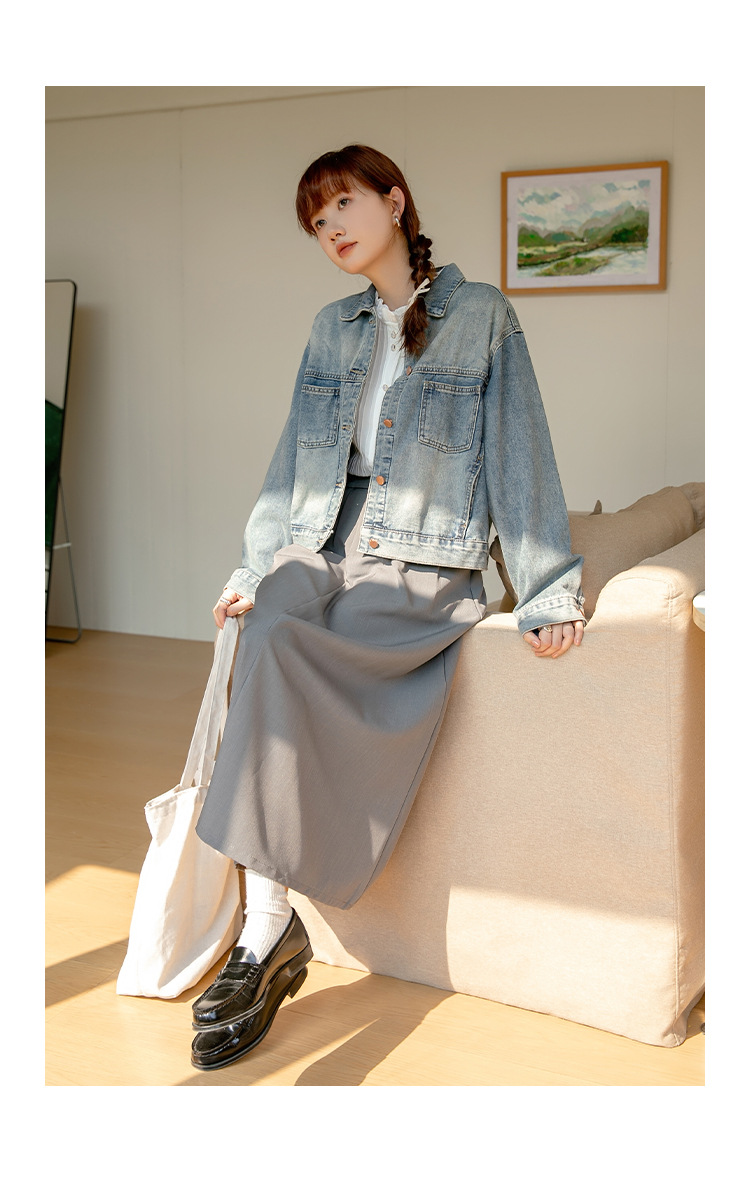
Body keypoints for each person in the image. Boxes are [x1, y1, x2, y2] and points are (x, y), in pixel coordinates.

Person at [188, 144, 586, 1071]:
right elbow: (291, 458)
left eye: (343, 205)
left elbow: (520, 448)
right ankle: (271, 926)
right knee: (265, 622)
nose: (329, 228)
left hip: (422, 554)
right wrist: (253, 565)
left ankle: (262, 931)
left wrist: (546, 589)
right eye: (315, 220)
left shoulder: (480, 315)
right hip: (324, 535)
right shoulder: (330, 328)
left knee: (291, 651)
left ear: (395, 202)